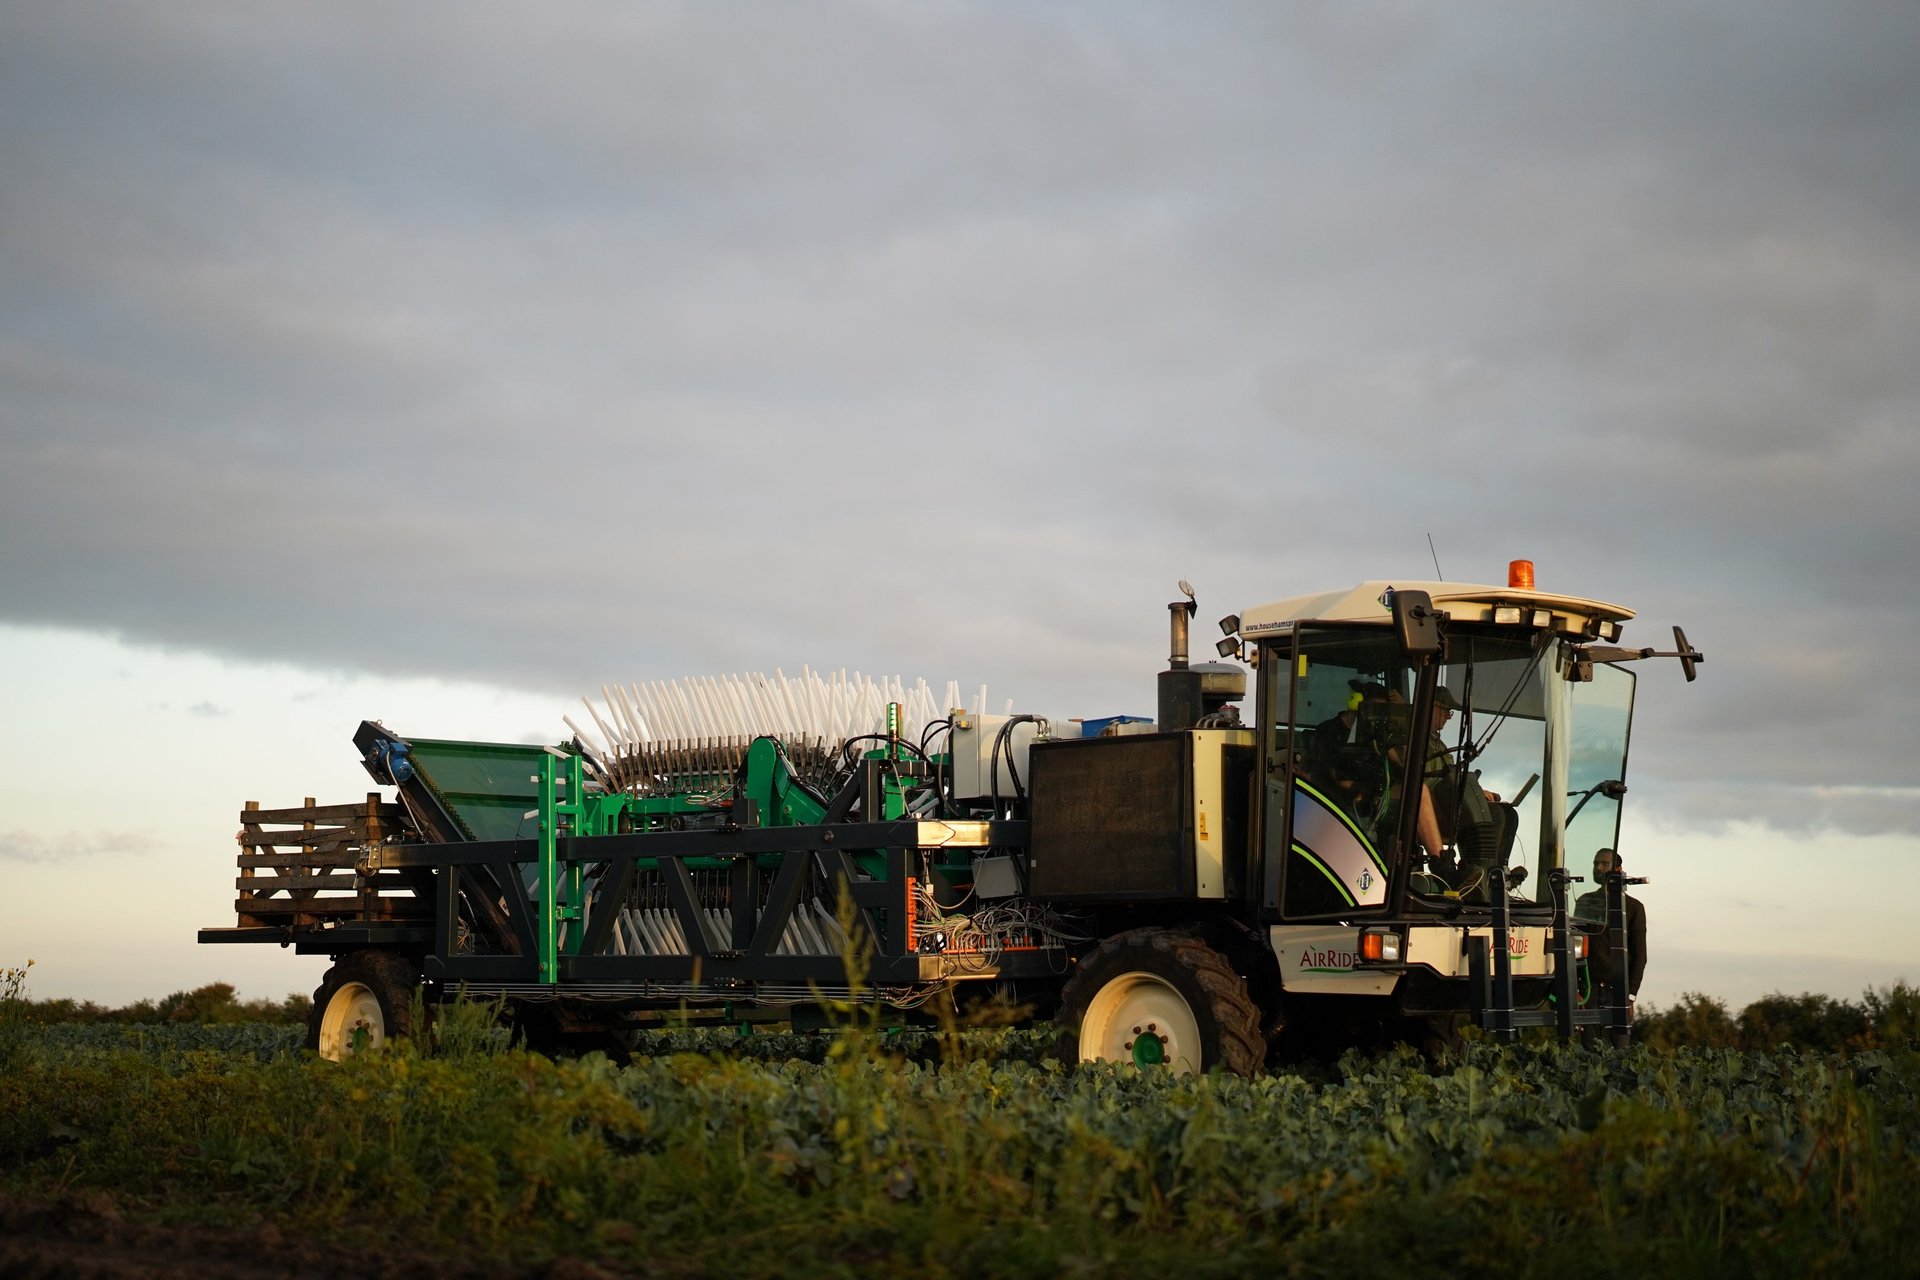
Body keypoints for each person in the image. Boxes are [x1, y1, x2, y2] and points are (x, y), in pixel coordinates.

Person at [1574, 847, 1647, 1009]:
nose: (1598, 868)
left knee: (1619, 1033)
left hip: (1619, 991)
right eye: (1596, 864)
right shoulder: (1584, 902)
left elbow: (1640, 956)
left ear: (1618, 870)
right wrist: (1575, 989)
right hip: (1588, 989)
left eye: (1605, 864)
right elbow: (1574, 948)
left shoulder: (1633, 907)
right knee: (1587, 1033)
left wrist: (1630, 995)